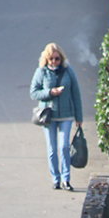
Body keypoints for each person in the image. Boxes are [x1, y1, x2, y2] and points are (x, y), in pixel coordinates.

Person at [30, 43, 83, 191]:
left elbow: (76, 94)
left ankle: (66, 179)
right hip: (49, 115)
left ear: (61, 58)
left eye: (57, 59)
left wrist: (79, 117)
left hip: (66, 114)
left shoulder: (68, 72)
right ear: (46, 59)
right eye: (51, 59)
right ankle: (56, 179)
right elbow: (33, 92)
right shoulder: (41, 72)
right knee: (52, 149)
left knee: (64, 146)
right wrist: (49, 92)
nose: (54, 62)